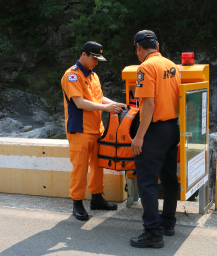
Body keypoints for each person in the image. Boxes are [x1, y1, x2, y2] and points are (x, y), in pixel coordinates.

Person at [61, 41, 127, 221]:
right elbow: (80, 103)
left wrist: (113, 103)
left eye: (98, 59)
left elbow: (97, 97)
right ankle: (77, 203)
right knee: (80, 169)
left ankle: (97, 198)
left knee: (97, 167)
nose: (96, 62)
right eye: (94, 58)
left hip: (97, 129)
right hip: (79, 130)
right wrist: (107, 109)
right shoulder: (72, 76)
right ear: (84, 55)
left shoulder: (93, 76)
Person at [129, 30, 181, 248]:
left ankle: (152, 233)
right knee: (169, 178)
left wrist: (139, 137)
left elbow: (148, 105)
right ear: (157, 46)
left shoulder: (146, 67)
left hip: (154, 131)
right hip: (172, 128)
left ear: (138, 47)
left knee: (147, 181)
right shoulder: (171, 65)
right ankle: (167, 222)